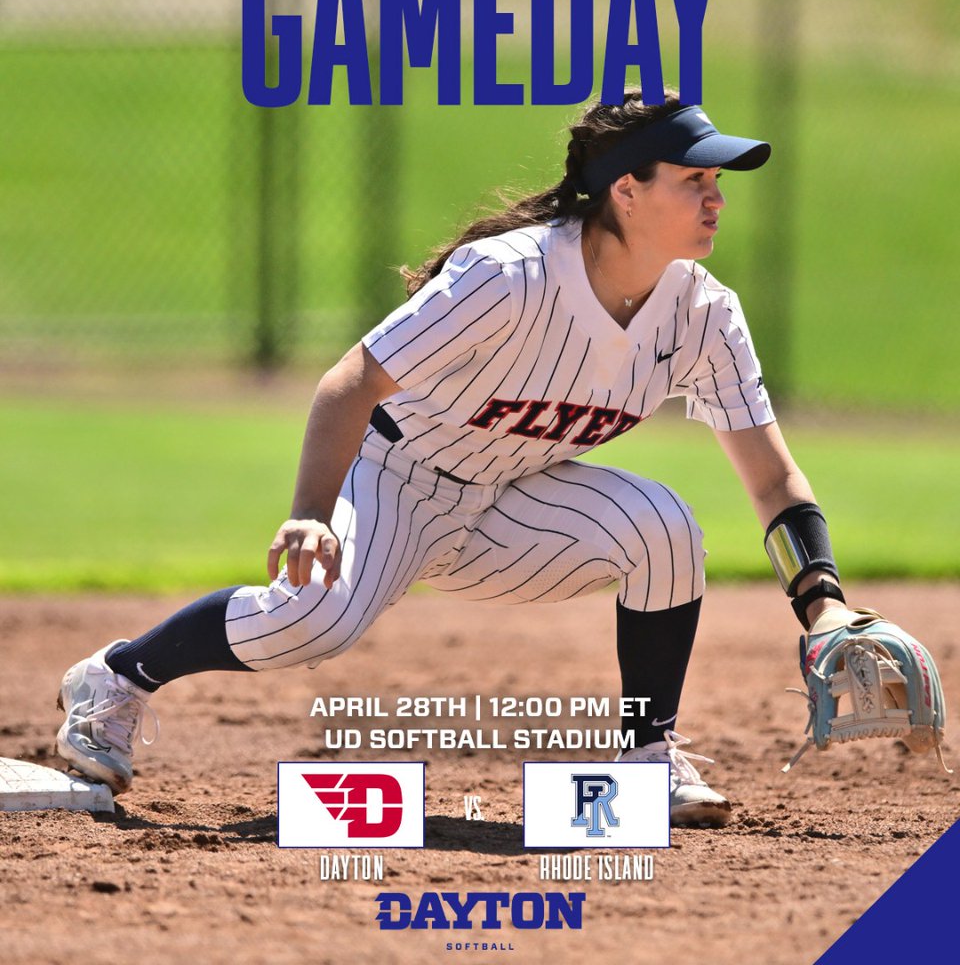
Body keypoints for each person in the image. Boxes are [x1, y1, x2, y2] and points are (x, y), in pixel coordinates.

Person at [56, 89, 852, 828]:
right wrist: (308, 515)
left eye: (719, 180)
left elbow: (773, 479)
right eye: (694, 179)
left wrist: (825, 608)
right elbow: (352, 382)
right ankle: (119, 677)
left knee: (666, 529)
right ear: (627, 191)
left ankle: (646, 756)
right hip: (397, 482)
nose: (717, 197)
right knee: (311, 619)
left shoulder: (705, 315)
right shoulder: (511, 276)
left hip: (512, 502)